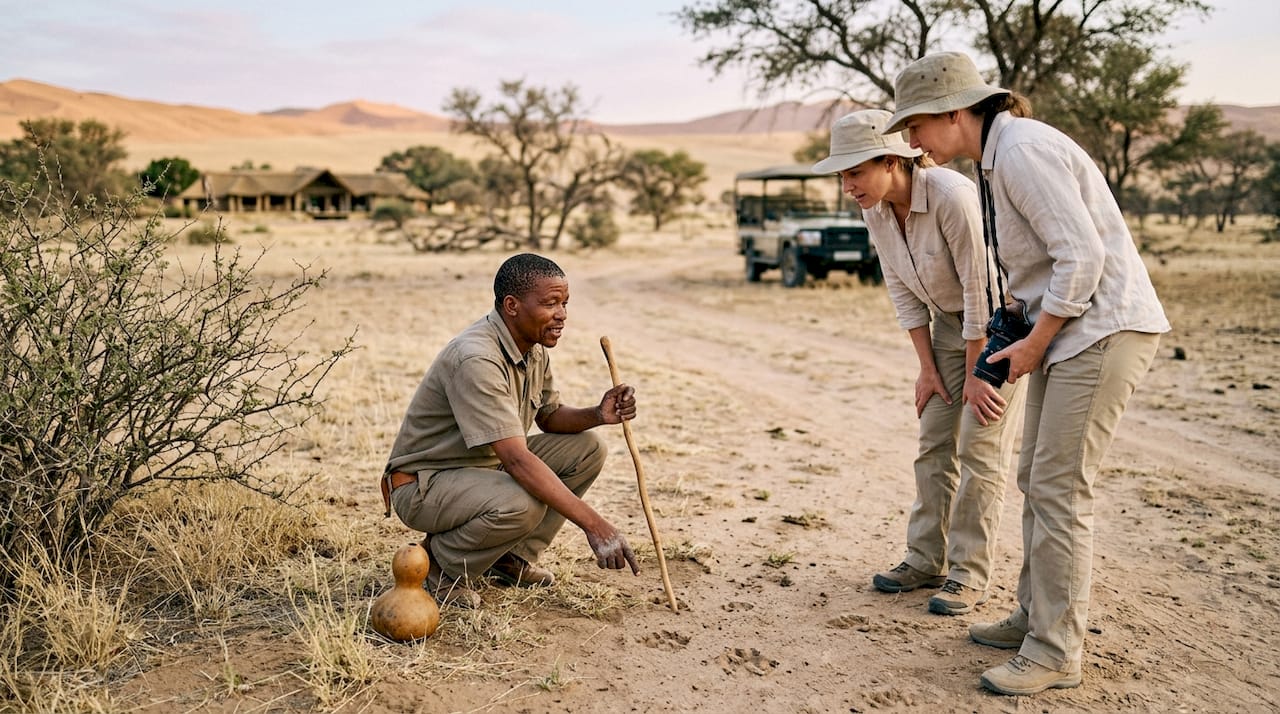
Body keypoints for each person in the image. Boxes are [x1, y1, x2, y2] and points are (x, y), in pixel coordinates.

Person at [885, 52, 1170, 695]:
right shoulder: (996, 156)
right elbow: (1035, 268)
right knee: (1035, 478)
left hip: (1099, 330)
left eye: (918, 126)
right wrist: (1012, 336)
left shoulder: (1019, 152)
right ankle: (1033, 618)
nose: (911, 142)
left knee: (1061, 490)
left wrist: (1035, 343)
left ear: (955, 112)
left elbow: (1081, 256)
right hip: (1068, 331)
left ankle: (1056, 649)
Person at [813, 110, 1025, 616]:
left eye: (855, 172)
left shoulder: (950, 195)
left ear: (891, 160)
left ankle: (968, 574)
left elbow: (979, 287)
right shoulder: (876, 210)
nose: (847, 186)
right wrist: (927, 367)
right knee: (933, 442)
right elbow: (902, 293)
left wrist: (978, 373)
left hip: (998, 327)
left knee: (979, 447)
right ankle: (925, 558)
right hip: (945, 330)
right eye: (842, 176)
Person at [380, 253, 640, 609]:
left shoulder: (531, 345)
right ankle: (441, 570)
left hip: (481, 471)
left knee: (588, 449)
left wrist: (598, 414)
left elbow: (548, 416)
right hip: (425, 484)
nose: (562, 314)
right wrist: (596, 526)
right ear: (512, 305)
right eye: (550, 303)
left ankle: (508, 558)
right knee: (521, 502)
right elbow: (517, 461)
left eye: (565, 303)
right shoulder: (476, 358)